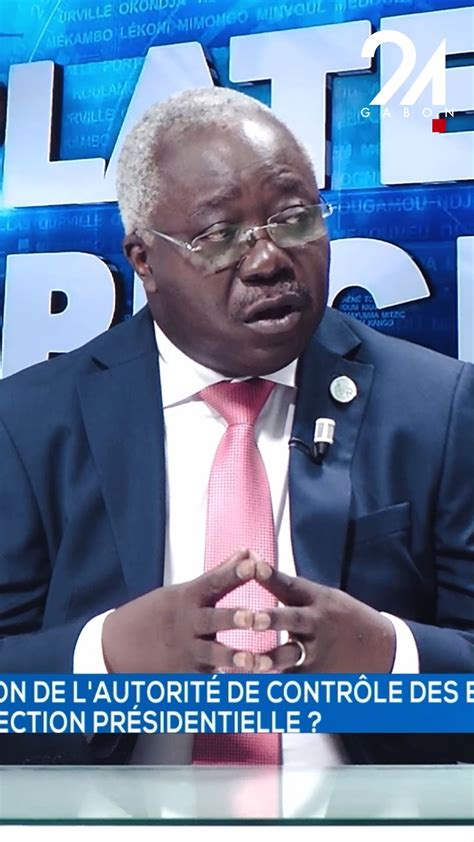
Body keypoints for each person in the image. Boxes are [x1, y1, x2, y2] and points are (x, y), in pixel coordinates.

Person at [0, 88, 472, 770]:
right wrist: (103, 661)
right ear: (143, 260)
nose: (268, 260)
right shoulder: (28, 423)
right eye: (219, 236)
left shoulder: (438, 407)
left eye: (294, 220)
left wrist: (389, 660)